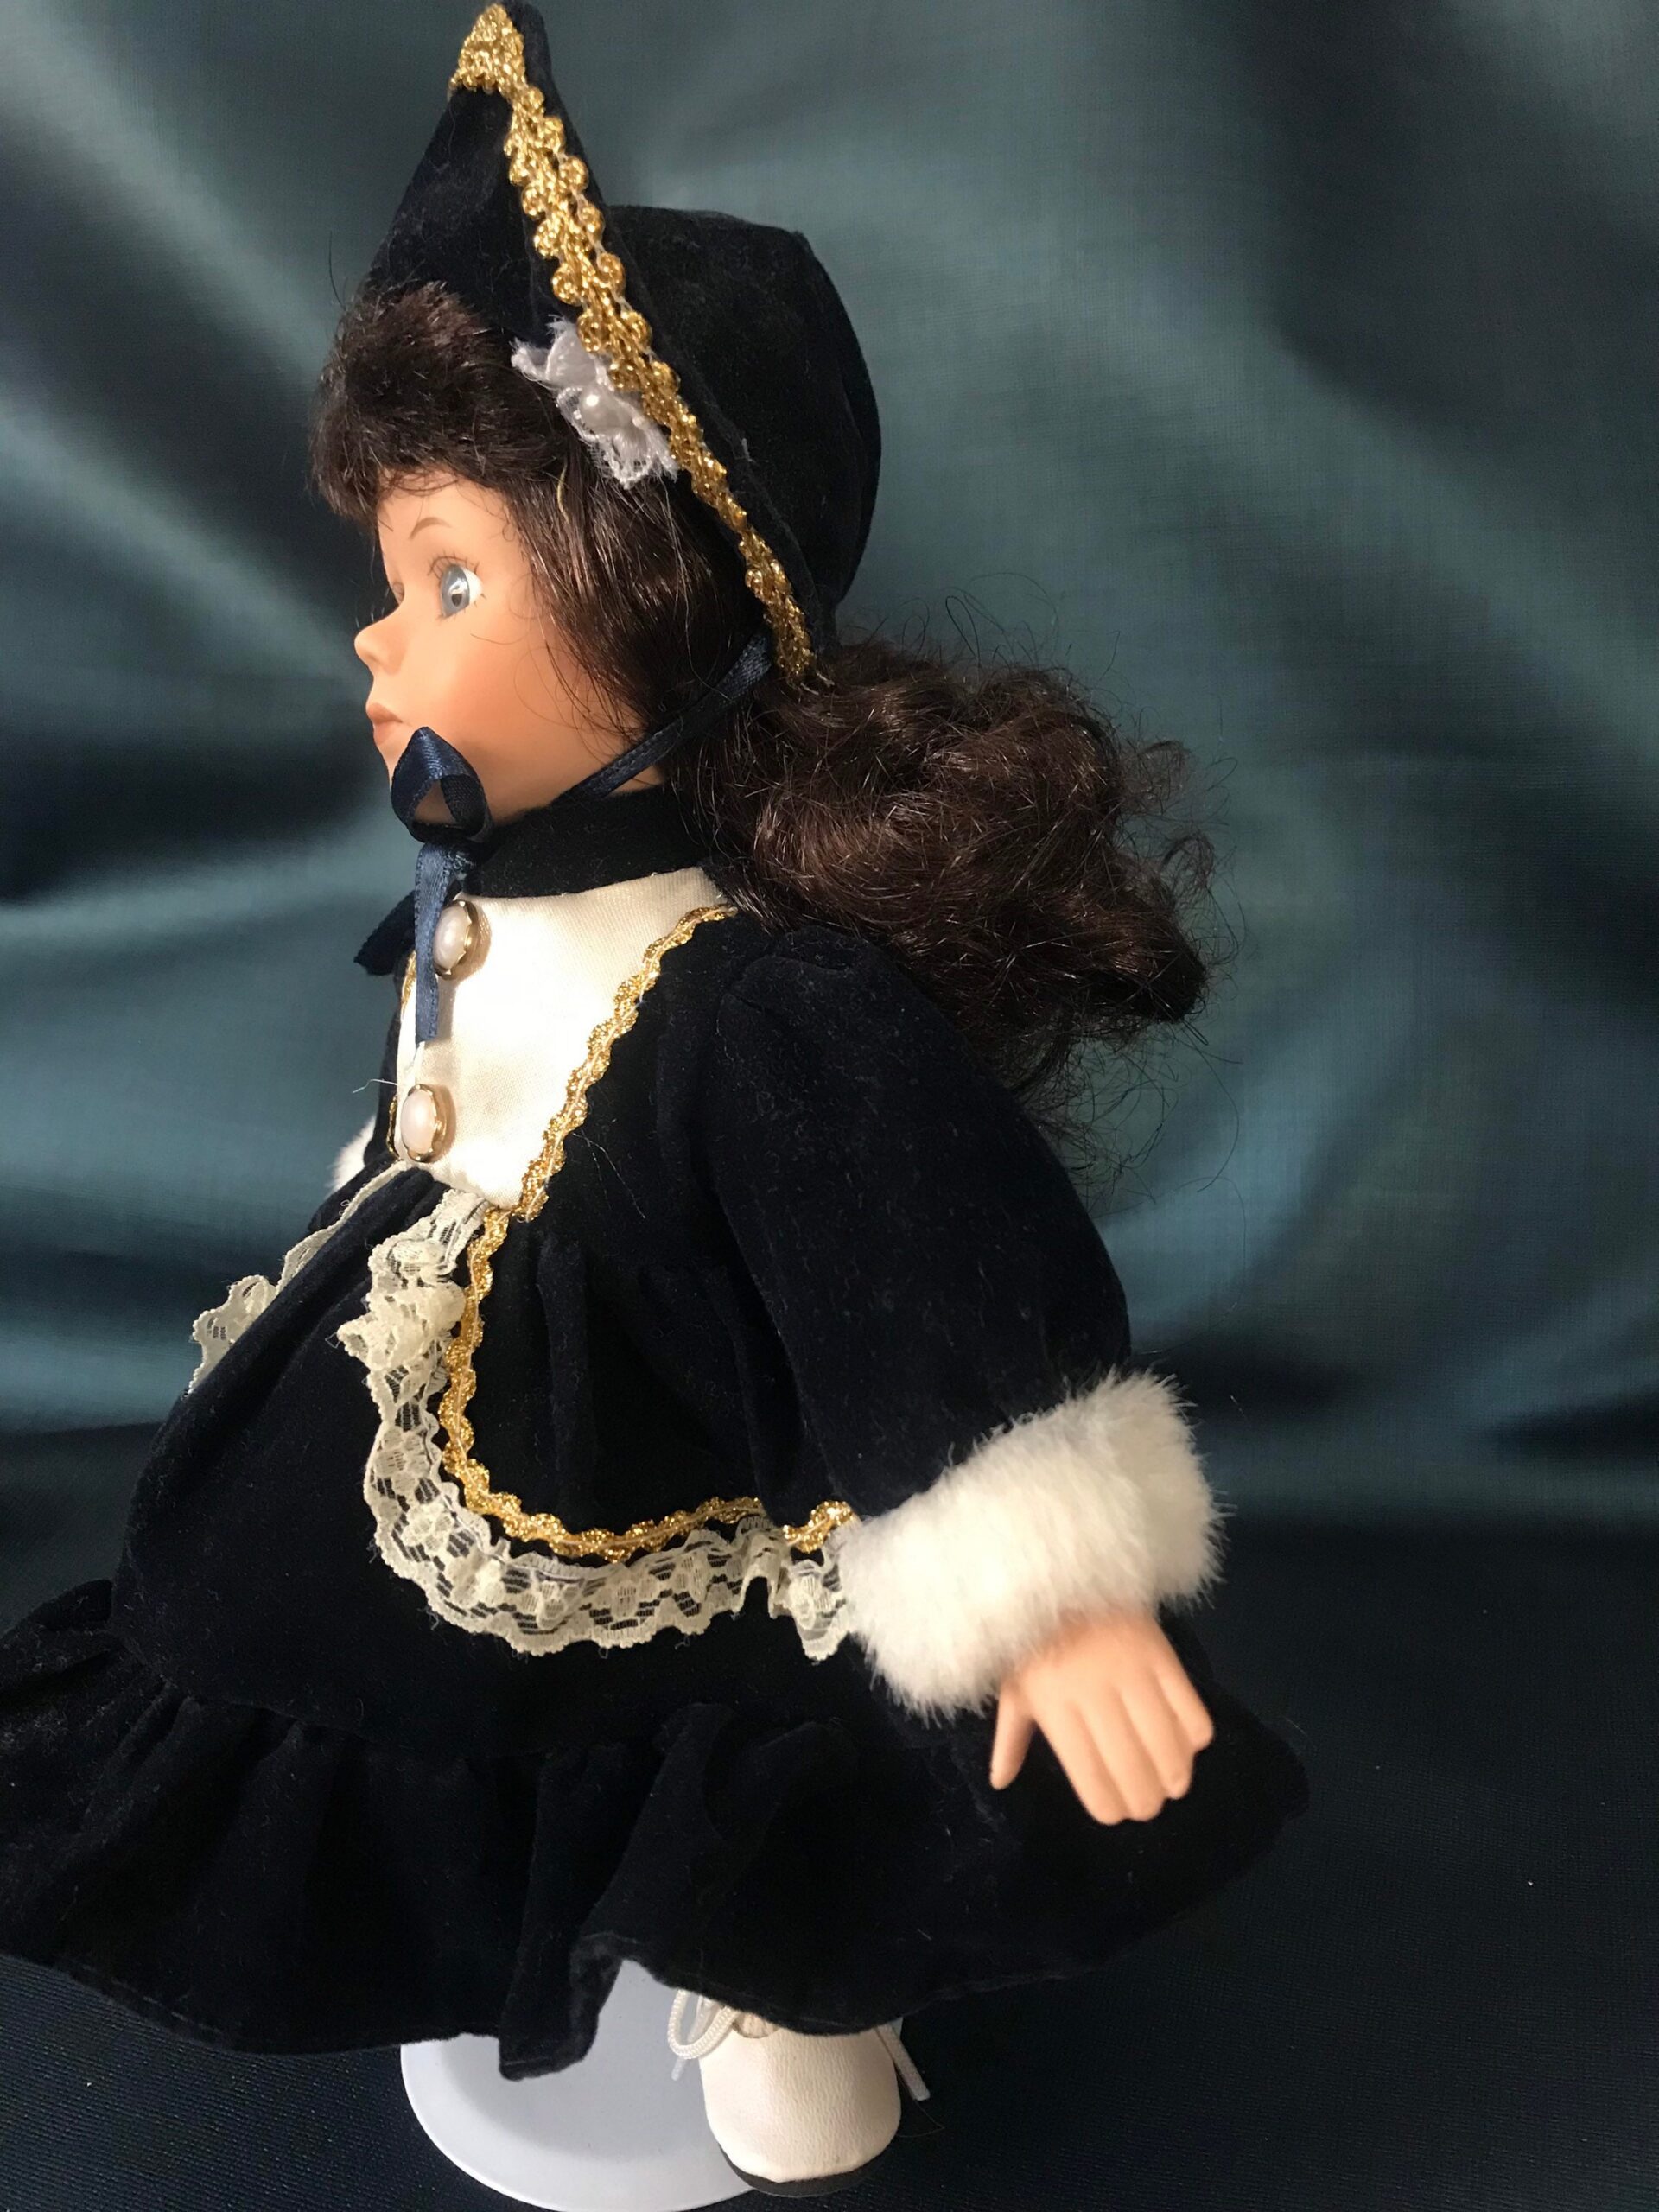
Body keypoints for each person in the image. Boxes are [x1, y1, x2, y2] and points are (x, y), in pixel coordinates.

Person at [0, 3, 1308, 2196]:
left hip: (672, 1463)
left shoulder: (761, 1006)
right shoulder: (484, 906)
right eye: (391, 581)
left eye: (449, 578)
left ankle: (797, 1977)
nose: (378, 642)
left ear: (644, 611)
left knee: (742, 1730)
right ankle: (554, 1927)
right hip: (478, 1415)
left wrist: (1059, 1587)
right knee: (300, 1625)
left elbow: (926, 1266)